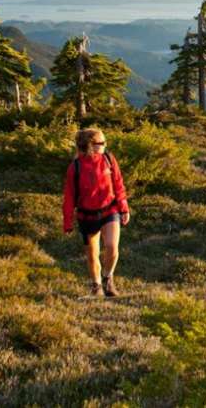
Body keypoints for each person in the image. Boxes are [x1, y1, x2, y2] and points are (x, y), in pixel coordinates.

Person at [62, 127, 130, 298]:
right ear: (91, 145)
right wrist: (67, 221)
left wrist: (123, 208)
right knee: (92, 256)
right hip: (87, 216)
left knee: (112, 247)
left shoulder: (109, 159)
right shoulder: (75, 167)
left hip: (110, 210)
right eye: (102, 143)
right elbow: (69, 196)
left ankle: (108, 278)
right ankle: (96, 286)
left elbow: (118, 184)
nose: (105, 146)